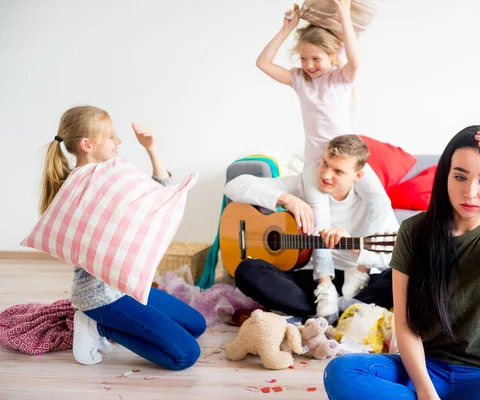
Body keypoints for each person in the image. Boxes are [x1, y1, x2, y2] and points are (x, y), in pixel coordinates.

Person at [323, 126, 480, 399]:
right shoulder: (413, 231)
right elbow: (406, 324)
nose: (470, 192)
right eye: (460, 177)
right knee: (341, 371)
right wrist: (426, 392)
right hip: (427, 368)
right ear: (445, 176)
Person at [40, 105, 206, 370]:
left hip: (125, 284)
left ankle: (112, 323)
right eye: (110, 136)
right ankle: (100, 326)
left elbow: (155, 198)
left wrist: (151, 149)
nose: (118, 142)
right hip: (101, 296)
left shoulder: (110, 176)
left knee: (196, 325)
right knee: (185, 355)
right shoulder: (82, 186)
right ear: (87, 144)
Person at [256, 0, 391, 314]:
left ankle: (362, 269)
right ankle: (325, 285)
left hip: (346, 161)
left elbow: (355, 61)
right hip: (316, 165)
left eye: (316, 58)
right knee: (320, 224)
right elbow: (263, 63)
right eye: (303, 58)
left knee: (379, 200)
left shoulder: (339, 80)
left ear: (333, 56)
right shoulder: (300, 81)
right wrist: (286, 29)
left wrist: (344, 14)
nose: (309, 64)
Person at [225, 134, 398, 318]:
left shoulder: (373, 203)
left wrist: (354, 248)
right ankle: (347, 313)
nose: (325, 175)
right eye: (324, 164)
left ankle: (336, 311)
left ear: (358, 175)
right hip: (312, 281)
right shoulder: (304, 184)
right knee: (246, 270)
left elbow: (390, 257)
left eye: (338, 172)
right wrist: (288, 199)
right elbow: (234, 186)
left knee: (409, 276)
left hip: (357, 281)